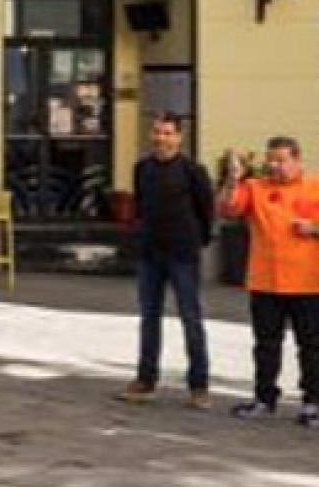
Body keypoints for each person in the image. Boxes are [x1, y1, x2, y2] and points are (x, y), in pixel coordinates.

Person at [220, 137, 319, 425]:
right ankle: (264, 398)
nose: (274, 166)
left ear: (297, 160)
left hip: (308, 283)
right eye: (270, 160)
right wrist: (233, 180)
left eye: (281, 160)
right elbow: (228, 209)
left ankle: (312, 403)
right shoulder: (255, 188)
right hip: (266, 282)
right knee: (265, 345)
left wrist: (314, 229)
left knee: (311, 346)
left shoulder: (314, 188)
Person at [118, 113, 214, 408]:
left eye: (168, 133)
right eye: (157, 132)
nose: (161, 138)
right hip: (150, 253)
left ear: (179, 137)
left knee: (190, 317)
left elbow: (206, 210)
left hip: (183, 253)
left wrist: (198, 241)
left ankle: (199, 386)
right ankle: (145, 380)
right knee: (149, 318)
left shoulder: (193, 171)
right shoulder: (142, 169)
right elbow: (140, 206)